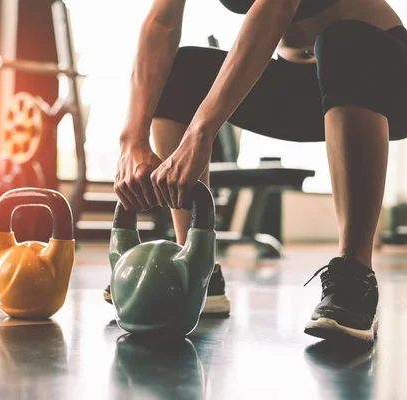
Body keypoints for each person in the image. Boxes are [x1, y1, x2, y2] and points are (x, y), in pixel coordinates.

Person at [107, 0, 406, 342]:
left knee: (341, 40)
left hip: (382, 75)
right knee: (182, 68)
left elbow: (276, 8)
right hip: (300, 86)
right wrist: (132, 139)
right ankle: (195, 267)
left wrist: (200, 132)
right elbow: (161, 23)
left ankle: (355, 277)